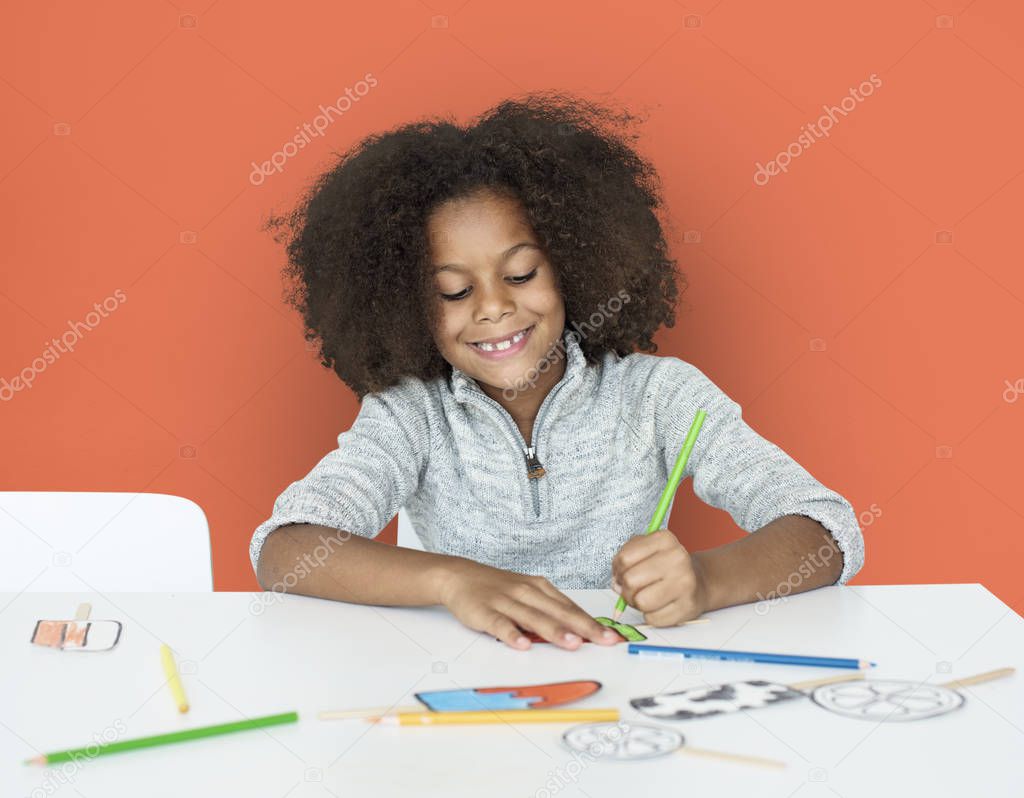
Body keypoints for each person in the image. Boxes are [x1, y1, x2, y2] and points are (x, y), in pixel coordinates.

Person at [251, 92, 863, 651]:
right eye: (454, 291)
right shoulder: (410, 415)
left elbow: (829, 531)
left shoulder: (659, 395)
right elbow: (285, 549)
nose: (493, 307)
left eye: (520, 275)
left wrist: (706, 580)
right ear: (408, 305)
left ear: (573, 263)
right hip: (470, 690)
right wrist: (452, 580)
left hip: (620, 679)